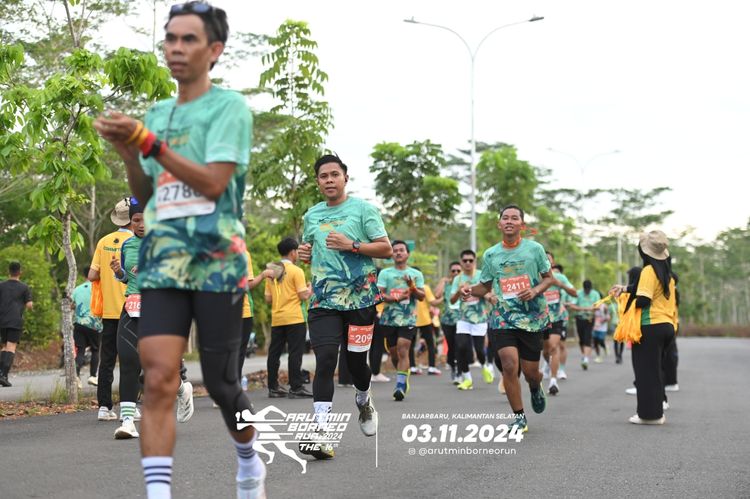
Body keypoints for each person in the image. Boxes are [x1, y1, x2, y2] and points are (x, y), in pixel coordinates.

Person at [94, 3, 264, 496]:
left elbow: (213, 183)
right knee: (159, 377)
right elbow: (149, 196)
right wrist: (131, 155)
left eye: (189, 39)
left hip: (216, 259)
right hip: (163, 260)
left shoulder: (228, 108)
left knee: (223, 383)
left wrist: (148, 143)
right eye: (170, 38)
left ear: (214, 50)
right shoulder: (158, 115)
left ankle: (249, 460)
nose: (175, 48)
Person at [298, 154, 392, 459]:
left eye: (334, 175)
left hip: (360, 300)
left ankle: (364, 399)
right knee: (325, 360)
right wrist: (304, 253)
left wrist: (352, 245)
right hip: (323, 299)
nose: (329, 180)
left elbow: (386, 249)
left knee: (355, 365)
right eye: (323, 176)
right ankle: (321, 432)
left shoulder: (364, 210)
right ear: (318, 182)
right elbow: (311, 251)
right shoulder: (312, 215)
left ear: (345, 178)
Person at [463, 205, 553, 433]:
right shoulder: (491, 254)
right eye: (505, 218)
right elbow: (484, 286)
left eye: (514, 218)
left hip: (531, 318)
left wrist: (535, 291)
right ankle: (519, 417)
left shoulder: (535, 249)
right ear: (499, 224)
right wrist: (469, 290)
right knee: (509, 365)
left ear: (522, 225)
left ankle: (535, 386)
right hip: (503, 317)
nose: (509, 221)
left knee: (531, 373)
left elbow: (548, 278)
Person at [611, 230, 677, 425]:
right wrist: (625, 289)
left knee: (645, 372)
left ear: (643, 251)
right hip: (666, 326)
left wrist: (627, 305)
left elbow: (644, 299)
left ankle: (649, 416)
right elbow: (646, 290)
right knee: (655, 371)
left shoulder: (648, 271)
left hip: (650, 326)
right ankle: (657, 412)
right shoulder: (667, 274)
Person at [88, 199, 132, 420]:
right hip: (132, 310)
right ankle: (130, 407)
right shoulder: (136, 241)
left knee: (106, 361)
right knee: (131, 361)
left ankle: (104, 408)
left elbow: (91, 275)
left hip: (108, 312)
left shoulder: (104, 241)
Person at [264, 237, 313, 398]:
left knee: (274, 353)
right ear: (293, 252)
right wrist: (310, 288)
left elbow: (268, 298)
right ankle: (296, 387)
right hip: (294, 318)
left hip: (277, 318)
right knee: (295, 353)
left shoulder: (271, 271)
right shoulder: (296, 271)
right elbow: (303, 295)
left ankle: (273, 387)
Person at [378, 241, 426, 401]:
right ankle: (403, 374)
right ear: (391, 254)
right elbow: (379, 295)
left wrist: (412, 287)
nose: (398, 253)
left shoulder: (415, 274)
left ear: (407, 253)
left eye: (401, 250)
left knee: (403, 349)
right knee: (394, 355)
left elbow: (422, 297)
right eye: (395, 250)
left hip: (408, 318)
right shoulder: (385, 273)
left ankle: (400, 385)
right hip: (389, 319)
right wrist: (396, 298)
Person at [450, 249, 493, 390]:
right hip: (463, 318)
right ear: (461, 262)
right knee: (461, 346)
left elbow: (489, 293)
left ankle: (484, 365)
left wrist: (484, 295)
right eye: (465, 260)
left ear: (475, 261)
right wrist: (459, 291)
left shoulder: (481, 275)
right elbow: (452, 300)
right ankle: (467, 378)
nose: (468, 263)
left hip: (480, 318)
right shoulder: (458, 279)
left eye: (470, 260)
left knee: (479, 350)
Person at [542, 253, 577, 395]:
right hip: (540, 319)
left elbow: (574, 293)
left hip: (557, 318)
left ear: (552, 263)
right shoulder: (533, 277)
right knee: (545, 351)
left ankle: (553, 381)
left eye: (548, 259)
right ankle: (548, 364)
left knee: (553, 347)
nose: (545, 261)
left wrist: (559, 284)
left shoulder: (560, 277)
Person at [0, 262, 33, 387]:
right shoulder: (24, 287)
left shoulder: (1, 285)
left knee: (4, 346)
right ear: (20, 272)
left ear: (8, 272)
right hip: (15, 320)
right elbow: (29, 305)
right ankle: (3, 375)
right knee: (11, 347)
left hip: (2, 320)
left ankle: (2, 374)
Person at [72, 266, 103, 387]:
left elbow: (71, 305)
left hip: (79, 324)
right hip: (95, 324)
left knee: (80, 350)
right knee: (95, 350)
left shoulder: (77, 289)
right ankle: (93, 376)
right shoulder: (99, 288)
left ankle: (76, 376)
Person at [433, 262, 461, 383]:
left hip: (462, 319)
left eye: (458, 271)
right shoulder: (447, 284)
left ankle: (460, 369)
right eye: (453, 271)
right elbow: (437, 295)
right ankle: (453, 366)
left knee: (460, 344)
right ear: (450, 272)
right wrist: (442, 282)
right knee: (451, 345)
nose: (456, 273)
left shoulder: (463, 284)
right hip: (447, 320)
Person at [410, 269, 439, 376]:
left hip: (412, 319)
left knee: (410, 344)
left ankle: (412, 367)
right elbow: (433, 302)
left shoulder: (407, 288)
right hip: (423, 320)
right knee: (430, 344)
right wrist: (443, 298)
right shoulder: (425, 287)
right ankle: (431, 367)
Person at [568, 279, 601, 370]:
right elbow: (572, 305)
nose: (587, 291)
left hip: (590, 319)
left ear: (590, 288)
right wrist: (584, 309)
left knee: (588, 338)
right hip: (579, 318)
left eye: (588, 290)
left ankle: (586, 359)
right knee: (581, 339)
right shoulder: (578, 293)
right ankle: (584, 355)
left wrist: (592, 308)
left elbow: (598, 306)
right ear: (583, 288)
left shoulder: (595, 294)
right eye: (586, 290)